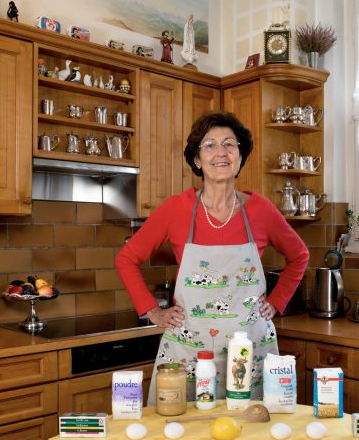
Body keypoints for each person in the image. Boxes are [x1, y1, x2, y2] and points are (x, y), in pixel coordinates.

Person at [115, 111, 309, 404]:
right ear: (196, 159)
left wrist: (277, 301)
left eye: (230, 144)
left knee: (249, 431)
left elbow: (300, 255)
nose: (221, 152)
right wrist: (152, 311)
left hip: (249, 347)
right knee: (181, 430)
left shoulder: (261, 210)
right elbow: (126, 259)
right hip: (188, 349)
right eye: (210, 145)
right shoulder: (175, 209)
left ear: (240, 156)